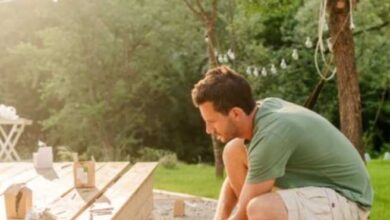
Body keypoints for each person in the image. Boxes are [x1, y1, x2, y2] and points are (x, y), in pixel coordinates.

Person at [191, 66, 373, 220]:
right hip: (321, 192)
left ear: (236, 114)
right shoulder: (259, 113)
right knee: (233, 152)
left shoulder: (271, 134)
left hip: (348, 200)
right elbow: (233, 181)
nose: (208, 130)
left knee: (259, 209)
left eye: (212, 121)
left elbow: (244, 215)